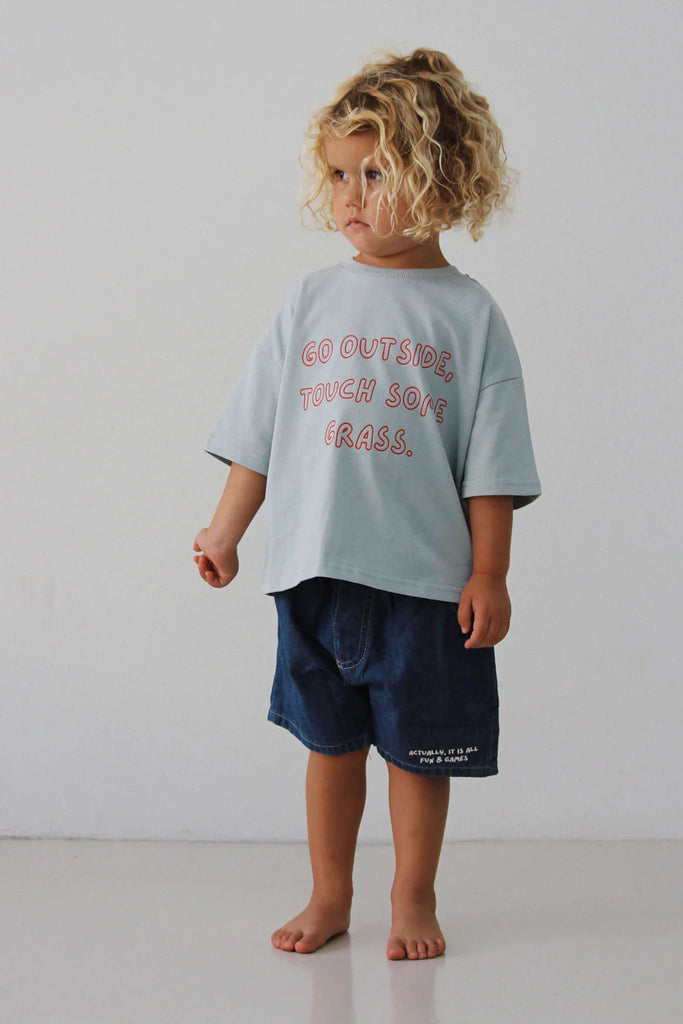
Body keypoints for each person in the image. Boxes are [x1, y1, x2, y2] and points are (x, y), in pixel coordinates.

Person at [193, 47, 542, 961]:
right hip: (313, 571)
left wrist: (489, 571)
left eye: (376, 173)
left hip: (424, 586)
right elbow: (260, 433)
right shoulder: (308, 301)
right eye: (340, 174)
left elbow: (490, 465)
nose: (349, 195)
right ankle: (330, 893)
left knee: (419, 757)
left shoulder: (468, 316)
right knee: (328, 745)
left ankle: (413, 897)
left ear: (445, 180)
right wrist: (225, 534)